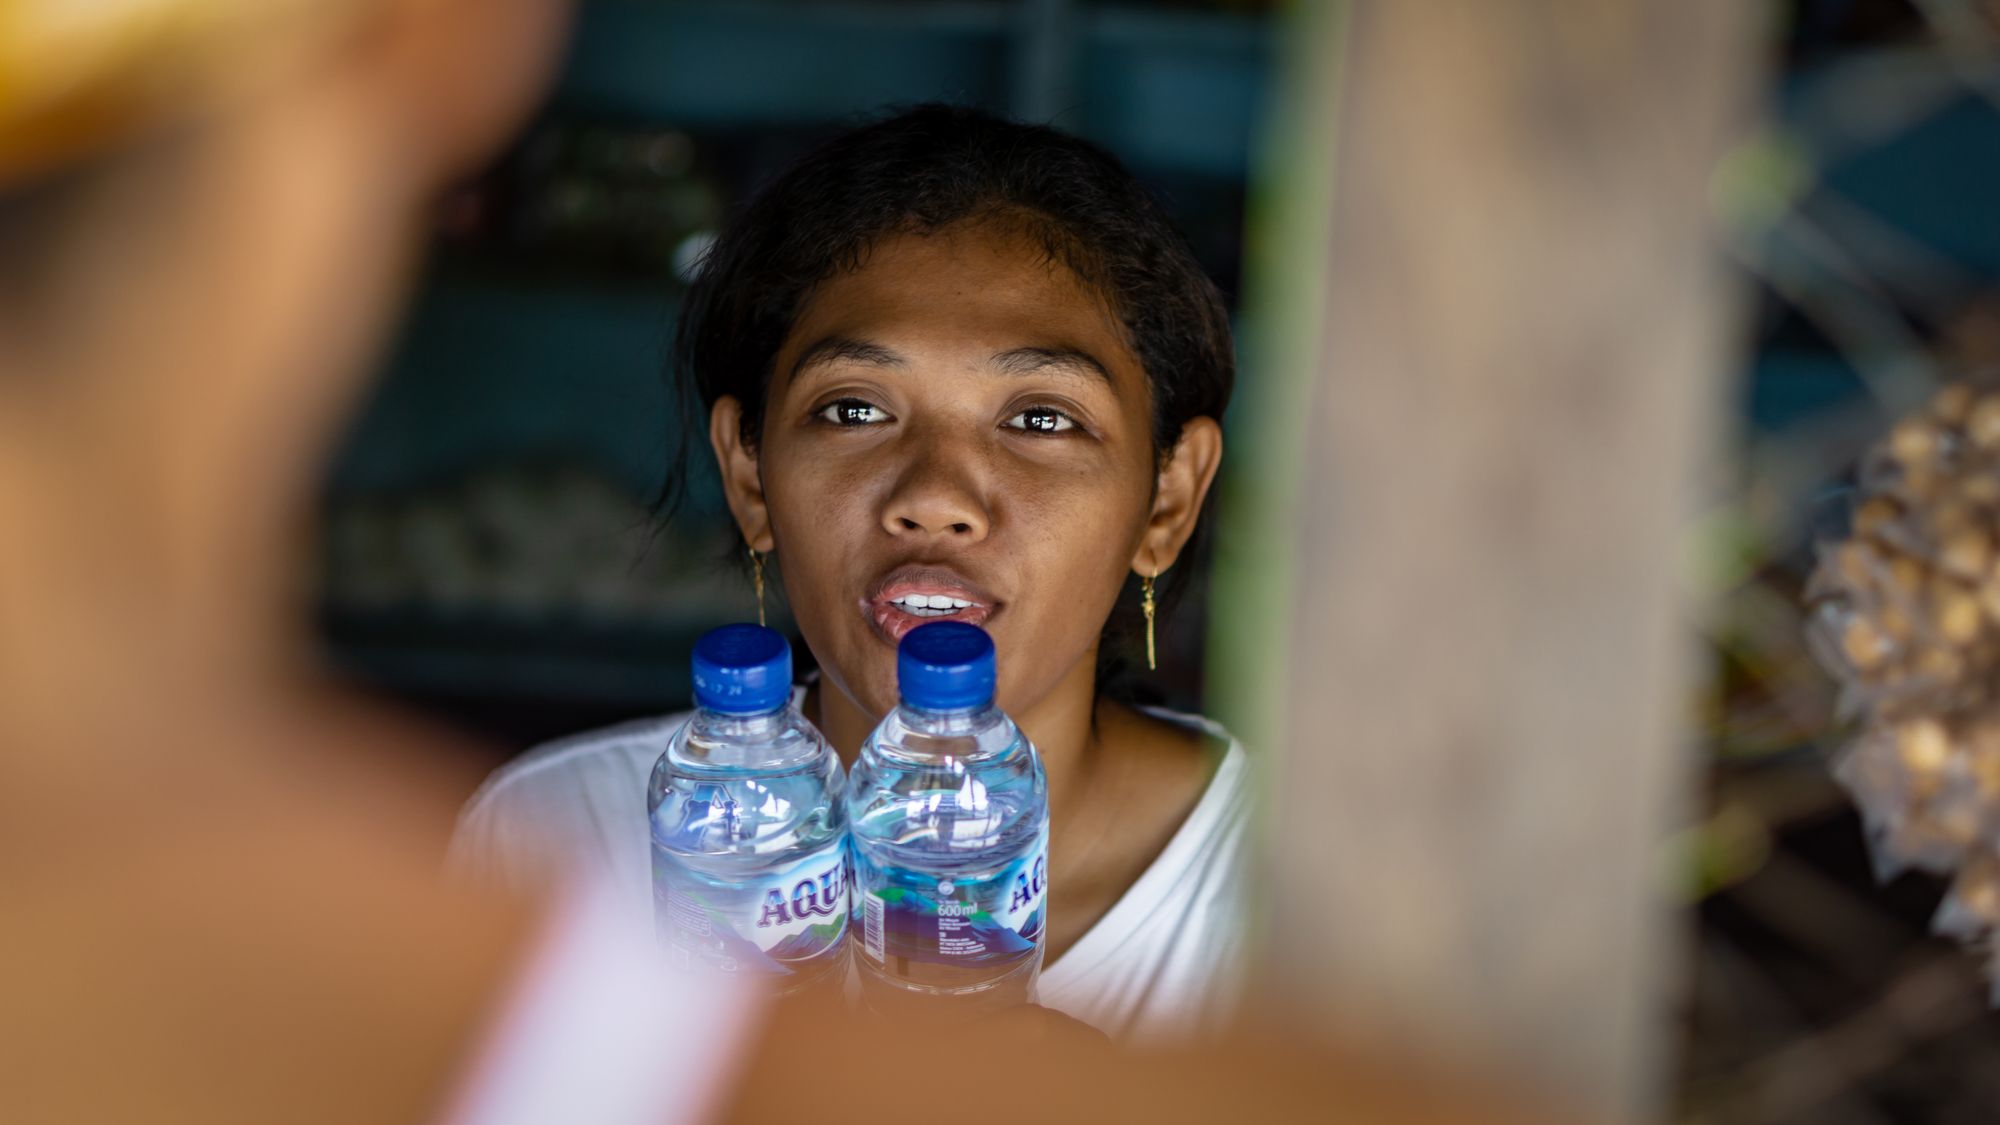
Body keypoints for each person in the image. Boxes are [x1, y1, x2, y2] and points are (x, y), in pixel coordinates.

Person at [452, 105, 1247, 1042]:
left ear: (1166, 502)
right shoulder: (560, 833)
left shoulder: (1296, 895)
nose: (936, 495)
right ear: (750, 475)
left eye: (1039, 418)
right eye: (856, 409)